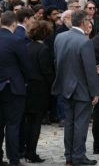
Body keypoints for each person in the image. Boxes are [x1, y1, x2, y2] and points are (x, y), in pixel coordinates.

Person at [51, 10, 99, 166]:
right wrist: (95, 92)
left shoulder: (59, 37)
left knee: (69, 124)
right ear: (83, 22)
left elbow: (56, 62)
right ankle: (78, 156)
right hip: (81, 89)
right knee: (80, 124)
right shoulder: (85, 41)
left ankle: (69, 157)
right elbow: (90, 70)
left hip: (65, 87)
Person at [0, 11, 30, 166]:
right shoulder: (16, 40)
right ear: (13, 24)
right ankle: (14, 159)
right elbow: (26, 66)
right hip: (13, 88)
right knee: (12, 125)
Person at [24, 20, 55, 163]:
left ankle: (25, 150)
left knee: (27, 121)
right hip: (39, 90)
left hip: (27, 87)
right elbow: (47, 71)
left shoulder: (26, 47)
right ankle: (31, 152)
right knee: (35, 123)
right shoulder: (43, 49)